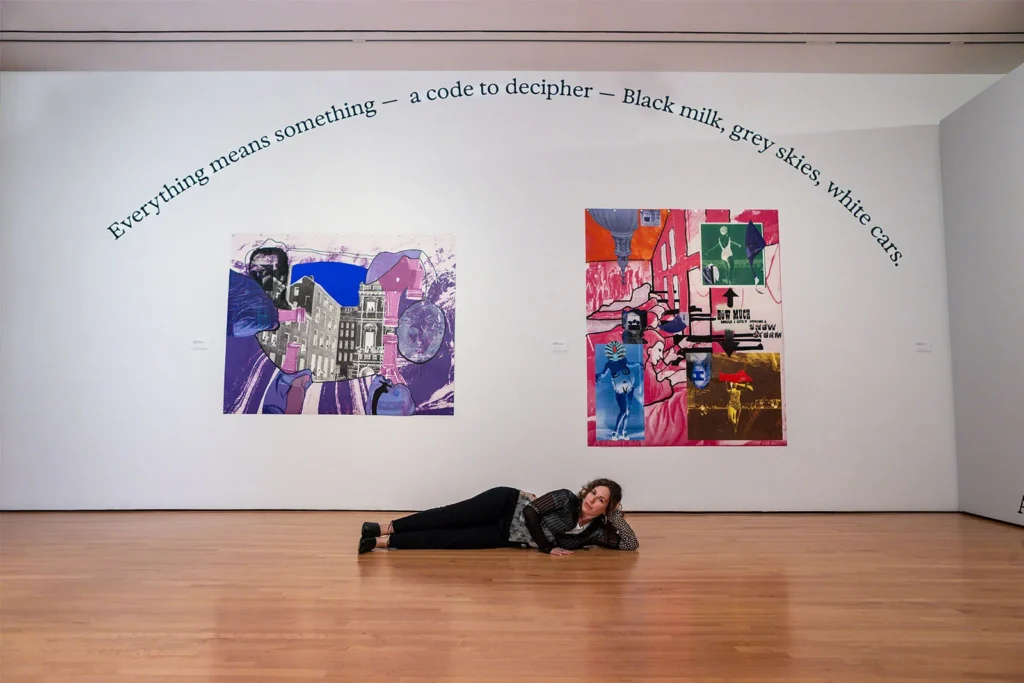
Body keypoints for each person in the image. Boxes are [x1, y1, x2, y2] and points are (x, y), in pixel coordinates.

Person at [358, 478, 639, 555]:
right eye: (592, 492)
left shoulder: (592, 533)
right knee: (449, 517)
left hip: (507, 537)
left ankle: (380, 544)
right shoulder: (566, 498)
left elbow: (629, 544)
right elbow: (531, 512)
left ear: (608, 507)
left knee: (450, 540)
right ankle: (385, 527)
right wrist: (548, 547)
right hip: (505, 504)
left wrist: (616, 516)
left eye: (601, 499)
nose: (591, 500)